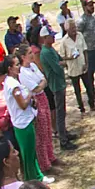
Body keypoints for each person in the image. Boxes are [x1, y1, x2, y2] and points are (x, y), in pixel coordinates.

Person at [2, 54, 48, 183]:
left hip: (26, 119)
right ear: (10, 68)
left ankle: (37, 175)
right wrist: (30, 95)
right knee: (27, 153)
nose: (19, 67)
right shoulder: (13, 85)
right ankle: (31, 179)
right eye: (16, 65)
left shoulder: (14, 81)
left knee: (32, 151)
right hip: (23, 123)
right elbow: (22, 104)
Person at [19, 42, 62, 170]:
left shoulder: (33, 66)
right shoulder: (22, 73)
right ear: (23, 57)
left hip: (43, 97)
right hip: (36, 100)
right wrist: (41, 84)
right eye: (29, 53)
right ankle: (45, 164)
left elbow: (43, 79)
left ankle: (51, 156)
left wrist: (41, 84)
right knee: (41, 132)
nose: (32, 55)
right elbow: (36, 88)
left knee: (48, 127)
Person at [39, 28, 78, 152]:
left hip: (59, 83)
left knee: (62, 111)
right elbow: (57, 67)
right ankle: (63, 140)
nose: (53, 37)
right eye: (51, 36)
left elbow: (60, 59)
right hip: (56, 85)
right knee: (60, 113)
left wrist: (63, 62)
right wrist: (64, 64)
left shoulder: (50, 49)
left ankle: (64, 133)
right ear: (45, 38)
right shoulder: (46, 52)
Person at [59, 20, 95, 114]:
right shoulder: (64, 41)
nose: (74, 30)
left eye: (74, 27)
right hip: (73, 68)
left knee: (89, 86)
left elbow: (85, 50)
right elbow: (62, 56)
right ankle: (82, 108)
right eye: (72, 28)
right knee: (77, 89)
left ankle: (92, 104)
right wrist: (70, 57)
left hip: (82, 66)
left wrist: (87, 63)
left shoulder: (80, 35)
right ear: (67, 29)